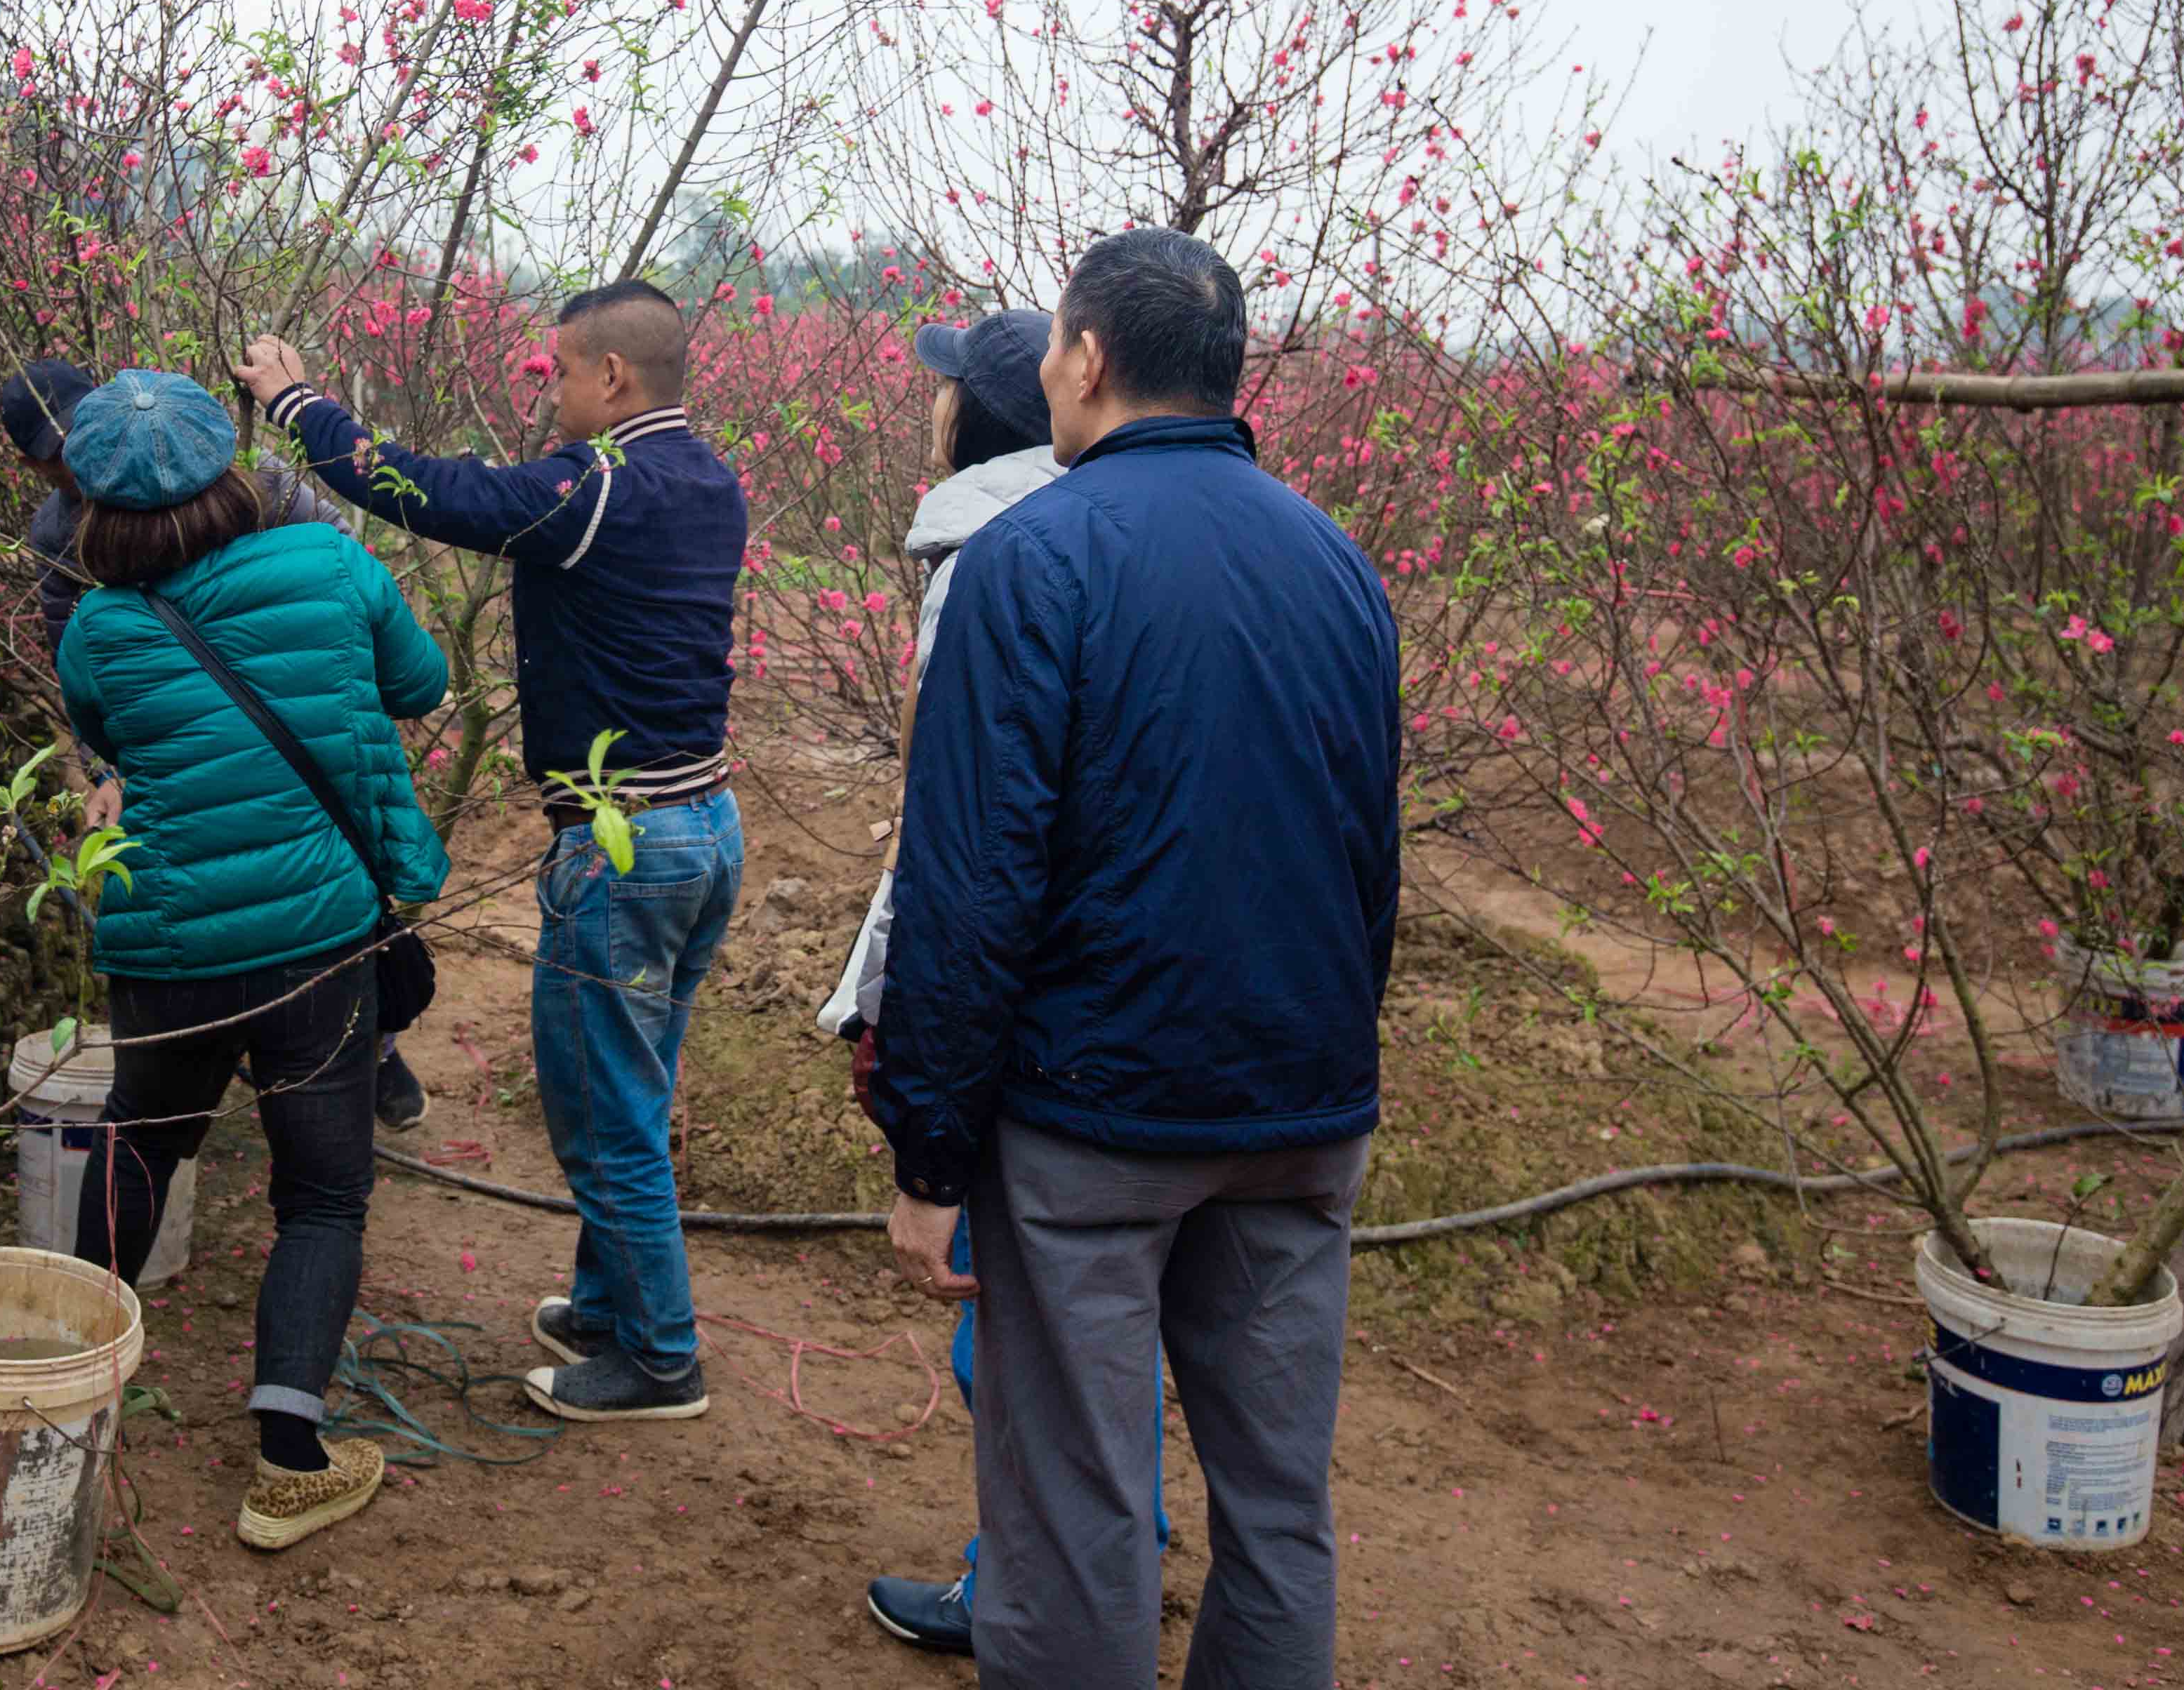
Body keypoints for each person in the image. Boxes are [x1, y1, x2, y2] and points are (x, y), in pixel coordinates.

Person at [867, 232, 1401, 1690]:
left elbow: (970, 889)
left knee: (1076, 1516)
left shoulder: (1030, 558)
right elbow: (1371, 862)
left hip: (1095, 1126)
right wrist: (1336, 1068)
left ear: (1087, 358)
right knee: (1282, 1510)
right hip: (1301, 1111)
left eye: (1052, 342)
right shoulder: (1335, 561)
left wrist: (928, 1153)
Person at [235, 280, 748, 1424]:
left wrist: (294, 404)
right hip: (704, 826)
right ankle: (611, 1306)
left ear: (610, 377)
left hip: (627, 844)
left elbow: (432, 492)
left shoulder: (599, 486)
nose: (551, 391)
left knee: (601, 1102)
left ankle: (660, 1356)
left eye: (561, 370)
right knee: (635, 1075)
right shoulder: (709, 479)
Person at [48, 370, 453, 1552]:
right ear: (228, 464)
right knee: (321, 1192)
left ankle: (74, 1396)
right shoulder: (329, 566)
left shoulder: (100, 628)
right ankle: (286, 1463)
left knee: (140, 1134)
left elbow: (113, 743)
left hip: (167, 943)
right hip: (314, 940)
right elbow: (420, 686)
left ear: (91, 503)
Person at [830, 308, 1165, 1658]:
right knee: (1094, 1331)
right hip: (1154, 1011)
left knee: (1013, 1315)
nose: (929, 409)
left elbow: (965, 849)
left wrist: (921, 1098)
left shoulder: (988, 561)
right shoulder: (1126, 541)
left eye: (946, 392)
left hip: (1035, 1019)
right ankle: (1098, 1545)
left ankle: (1029, 1582)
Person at [3, 357, 435, 1129]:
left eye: (75, 437)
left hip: (300, 735)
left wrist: (326, 675)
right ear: (34, 463)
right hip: (200, 760)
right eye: (52, 451)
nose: (69, 458)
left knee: (321, 914)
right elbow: (88, 691)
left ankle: (376, 1054)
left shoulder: (266, 494)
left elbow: (348, 578)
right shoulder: (61, 537)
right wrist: (107, 770)